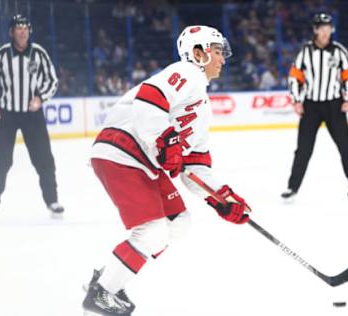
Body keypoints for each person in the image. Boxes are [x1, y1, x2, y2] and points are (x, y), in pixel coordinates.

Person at [82, 25, 251, 315]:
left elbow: (195, 167)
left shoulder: (203, 106)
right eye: (218, 51)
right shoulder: (187, 73)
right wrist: (165, 138)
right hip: (122, 149)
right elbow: (149, 97)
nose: (223, 59)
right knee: (151, 231)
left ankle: (111, 275)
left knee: (178, 225)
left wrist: (222, 198)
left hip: (142, 161)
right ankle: (101, 294)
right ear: (199, 53)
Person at [0, 14, 63, 217]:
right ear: (11, 32)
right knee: (1, 159)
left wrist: (40, 98)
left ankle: (52, 201)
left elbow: (52, 80)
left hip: (32, 114)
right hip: (7, 114)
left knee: (44, 158)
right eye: (18, 28)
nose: (23, 31)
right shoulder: (1, 55)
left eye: (26, 27)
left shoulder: (39, 53)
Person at [282, 13, 348, 200]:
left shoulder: (339, 51)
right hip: (311, 106)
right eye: (322, 28)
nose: (326, 32)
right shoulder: (305, 52)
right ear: (315, 30)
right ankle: (292, 188)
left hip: (334, 105)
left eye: (328, 28)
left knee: (345, 145)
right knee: (303, 149)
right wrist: (296, 100)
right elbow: (295, 76)